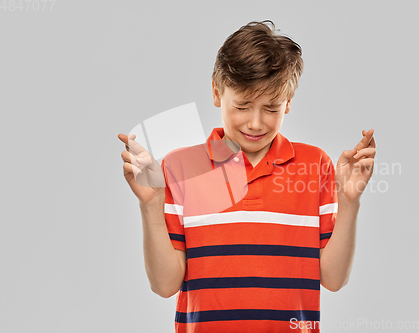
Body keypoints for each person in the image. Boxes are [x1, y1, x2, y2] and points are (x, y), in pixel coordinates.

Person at [118, 20, 376, 333]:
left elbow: (333, 280)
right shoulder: (179, 168)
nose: (255, 123)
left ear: (289, 102)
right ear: (217, 91)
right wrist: (151, 203)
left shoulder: (315, 165)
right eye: (242, 106)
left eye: (271, 108)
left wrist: (349, 201)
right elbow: (164, 285)